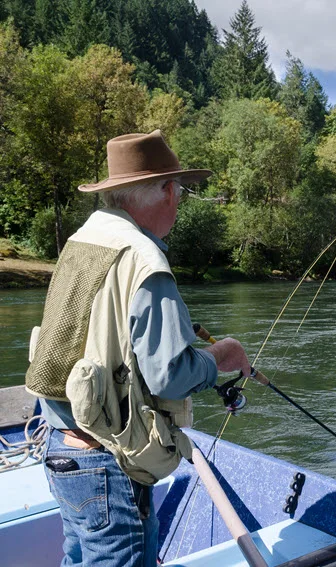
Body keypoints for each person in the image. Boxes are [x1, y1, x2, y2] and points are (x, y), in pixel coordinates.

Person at [24, 130, 251, 566]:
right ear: (166, 190)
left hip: (58, 446)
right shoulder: (145, 260)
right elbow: (169, 374)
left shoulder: (82, 240)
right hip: (105, 463)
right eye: (180, 191)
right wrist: (223, 356)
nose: (180, 201)